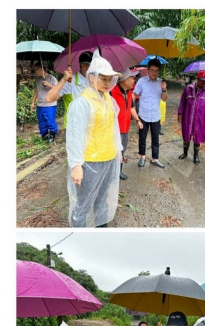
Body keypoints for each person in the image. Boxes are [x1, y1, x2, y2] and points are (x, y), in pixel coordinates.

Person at [66, 50, 122, 228]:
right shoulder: (82, 103)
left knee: (102, 198)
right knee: (82, 204)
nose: (107, 83)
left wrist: (118, 150)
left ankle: (101, 228)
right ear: (91, 77)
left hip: (108, 158)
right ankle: (79, 236)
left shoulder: (107, 99)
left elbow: (114, 128)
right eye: (103, 78)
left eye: (109, 79)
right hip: (89, 162)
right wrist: (76, 165)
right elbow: (74, 135)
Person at [46, 52, 93, 134]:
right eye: (93, 66)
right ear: (83, 66)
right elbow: (49, 98)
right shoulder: (71, 81)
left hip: (91, 126)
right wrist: (64, 79)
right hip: (74, 127)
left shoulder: (94, 81)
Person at [134, 58, 168, 168]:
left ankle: (155, 159)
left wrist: (164, 89)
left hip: (156, 115)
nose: (154, 73)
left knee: (155, 138)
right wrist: (130, 107)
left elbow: (164, 99)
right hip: (143, 115)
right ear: (148, 70)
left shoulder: (161, 83)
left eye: (157, 70)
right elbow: (134, 95)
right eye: (152, 70)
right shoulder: (141, 82)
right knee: (142, 138)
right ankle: (142, 157)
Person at [177, 70, 205, 164]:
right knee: (186, 135)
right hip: (188, 115)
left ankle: (196, 156)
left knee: (198, 136)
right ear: (197, 78)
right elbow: (182, 102)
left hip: (201, 117)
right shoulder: (188, 88)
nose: (204, 83)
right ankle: (185, 153)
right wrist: (180, 113)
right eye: (202, 80)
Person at [111, 68, 142, 181]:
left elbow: (132, 108)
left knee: (122, 151)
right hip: (114, 130)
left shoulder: (129, 93)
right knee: (114, 152)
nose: (134, 80)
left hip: (125, 128)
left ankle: (119, 171)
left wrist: (138, 120)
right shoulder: (111, 92)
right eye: (132, 78)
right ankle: (111, 174)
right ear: (125, 80)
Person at [30, 63, 59, 142]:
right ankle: (44, 135)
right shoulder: (38, 80)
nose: (34, 72)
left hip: (50, 104)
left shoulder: (52, 78)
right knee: (42, 122)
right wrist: (33, 102)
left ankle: (52, 134)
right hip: (40, 104)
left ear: (40, 69)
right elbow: (36, 91)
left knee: (50, 121)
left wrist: (49, 85)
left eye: (35, 70)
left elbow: (58, 90)